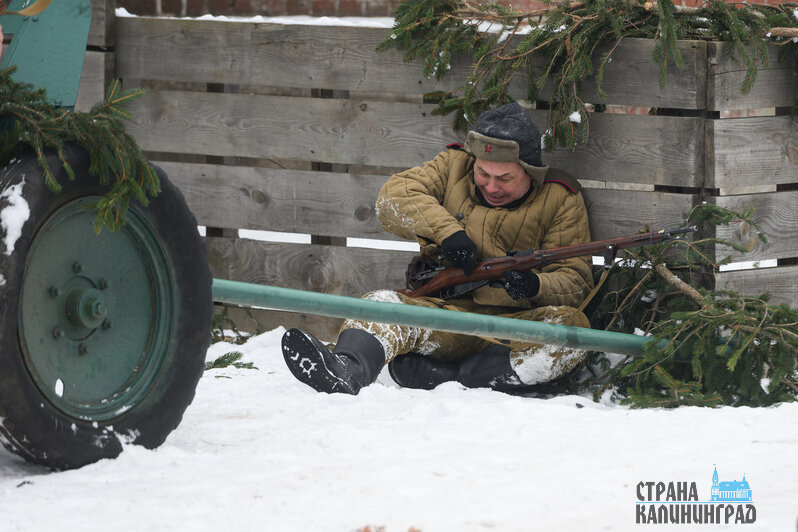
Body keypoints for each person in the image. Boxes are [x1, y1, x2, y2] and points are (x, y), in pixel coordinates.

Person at [281, 102, 594, 395]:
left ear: (530, 171)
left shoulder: (561, 198)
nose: (491, 186)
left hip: (512, 330)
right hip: (445, 316)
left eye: (505, 178)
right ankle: (346, 372)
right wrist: (448, 234)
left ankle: (452, 377)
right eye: (483, 173)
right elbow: (393, 197)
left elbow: (575, 282)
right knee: (381, 304)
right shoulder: (453, 165)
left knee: (571, 331)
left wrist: (535, 284)